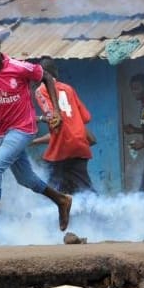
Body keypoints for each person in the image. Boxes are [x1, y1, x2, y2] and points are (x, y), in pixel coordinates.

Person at [0, 32, 73, 244]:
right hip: (3, 132)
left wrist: (56, 111)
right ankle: (61, 200)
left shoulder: (19, 67)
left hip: (24, 128)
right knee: (26, 179)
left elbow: (47, 78)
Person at [33, 58, 95, 195]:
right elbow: (86, 117)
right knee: (78, 186)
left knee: (52, 188)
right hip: (79, 142)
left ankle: (50, 214)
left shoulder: (41, 90)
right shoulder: (68, 88)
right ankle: (95, 211)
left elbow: (52, 118)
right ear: (56, 72)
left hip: (61, 145)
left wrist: (39, 118)